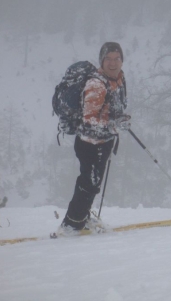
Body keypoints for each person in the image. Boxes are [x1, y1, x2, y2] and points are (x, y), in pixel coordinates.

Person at [59, 42, 130, 233]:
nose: (113, 63)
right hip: (89, 144)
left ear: (122, 61)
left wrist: (118, 120)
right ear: (102, 60)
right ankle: (72, 224)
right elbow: (89, 121)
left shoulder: (119, 80)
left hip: (103, 142)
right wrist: (113, 126)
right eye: (108, 59)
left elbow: (110, 111)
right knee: (88, 184)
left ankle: (82, 218)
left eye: (117, 58)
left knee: (93, 184)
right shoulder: (96, 85)